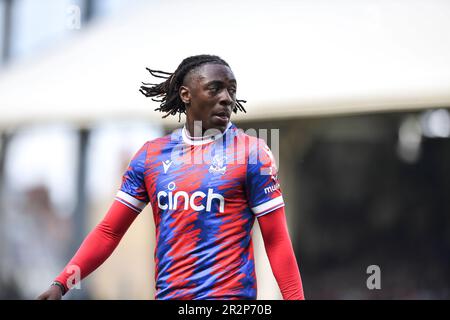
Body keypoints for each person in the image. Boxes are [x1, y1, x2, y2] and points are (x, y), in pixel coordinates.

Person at [37, 54, 304, 300]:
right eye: (215, 88)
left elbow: (276, 240)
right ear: (186, 94)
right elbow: (109, 231)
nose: (226, 98)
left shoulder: (252, 153)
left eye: (231, 90)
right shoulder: (151, 156)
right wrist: (61, 284)